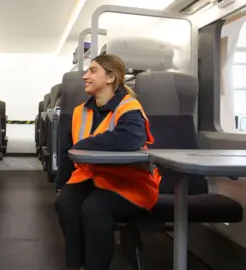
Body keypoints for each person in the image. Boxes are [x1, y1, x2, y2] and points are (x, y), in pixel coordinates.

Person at [54, 54, 161, 270]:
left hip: (128, 182)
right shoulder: (79, 112)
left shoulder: (129, 107)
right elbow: (67, 154)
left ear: (111, 77)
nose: (85, 76)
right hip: (88, 177)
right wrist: (61, 186)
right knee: (65, 203)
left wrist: (85, 143)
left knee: (95, 209)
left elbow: (128, 139)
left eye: (93, 71)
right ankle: (76, 265)